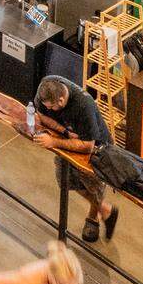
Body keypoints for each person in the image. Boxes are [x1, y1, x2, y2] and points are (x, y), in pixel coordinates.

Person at [32, 75, 116, 243]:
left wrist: (53, 141)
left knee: (93, 185)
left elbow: (88, 145)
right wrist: (65, 132)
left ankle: (94, 218)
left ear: (61, 100)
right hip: (70, 137)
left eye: (53, 107)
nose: (50, 110)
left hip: (98, 147)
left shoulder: (84, 105)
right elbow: (41, 115)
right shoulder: (46, 88)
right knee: (65, 180)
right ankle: (105, 210)